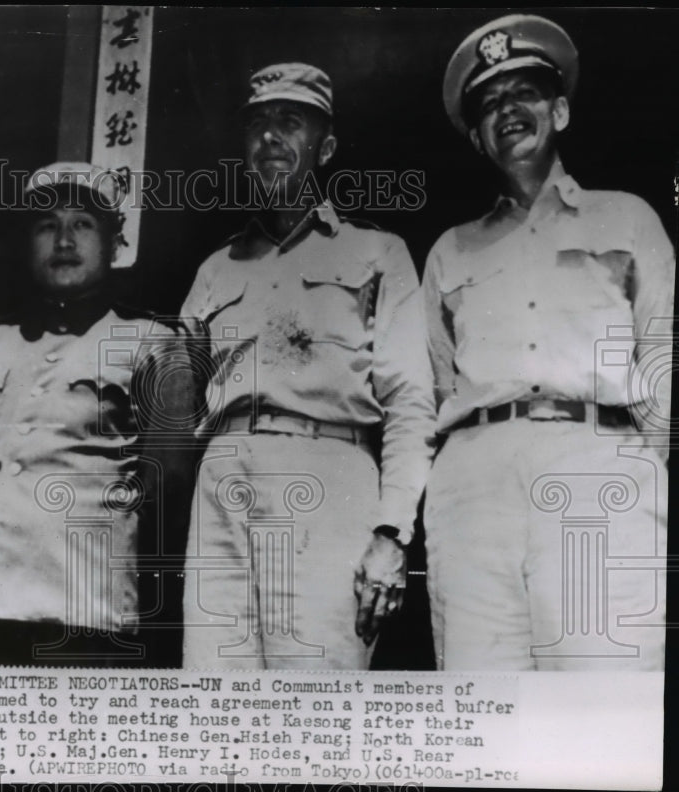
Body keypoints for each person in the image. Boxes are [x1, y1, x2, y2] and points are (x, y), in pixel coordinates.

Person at [423, 15, 674, 670]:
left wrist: (647, 477)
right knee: (482, 717)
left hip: (599, 469)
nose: (508, 110)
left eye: (524, 92)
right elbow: (436, 385)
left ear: (558, 110)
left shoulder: (626, 217)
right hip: (473, 488)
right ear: (477, 136)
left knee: (603, 700)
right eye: (489, 103)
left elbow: (664, 362)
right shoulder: (451, 250)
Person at [180, 63, 436, 669]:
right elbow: (176, 408)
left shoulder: (377, 252)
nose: (270, 137)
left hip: (329, 482)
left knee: (316, 704)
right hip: (220, 486)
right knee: (214, 708)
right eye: (257, 124)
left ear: (324, 147)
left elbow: (409, 404)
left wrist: (392, 532)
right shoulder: (214, 270)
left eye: (289, 122)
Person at [0, 162, 197, 666]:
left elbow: (166, 488)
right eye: (46, 225)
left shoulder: (153, 344)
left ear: (115, 242)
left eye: (83, 224)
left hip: (83, 606)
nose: (63, 240)